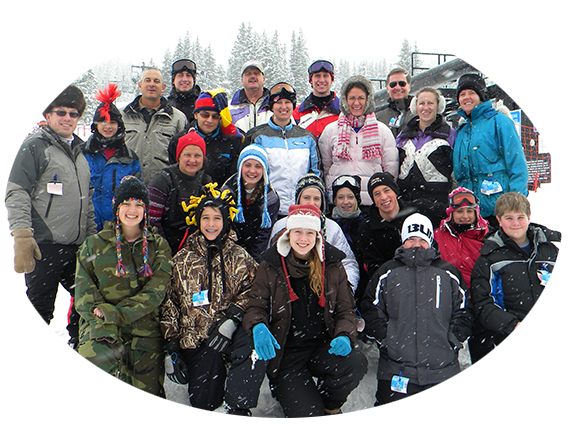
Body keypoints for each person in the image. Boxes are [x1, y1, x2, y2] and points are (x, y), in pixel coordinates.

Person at [6, 85, 97, 397]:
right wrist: (21, 235)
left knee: (86, 303)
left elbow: (86, 203)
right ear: (48, 115)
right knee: (41, 306)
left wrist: (93, 241)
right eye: (61, 112)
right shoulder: (33, 148)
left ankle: (81, 350)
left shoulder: (80, 154)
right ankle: (27, 358)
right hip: (44, 246)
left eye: (73, 114)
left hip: (76, 246)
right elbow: (16, 192)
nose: (68, 118)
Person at [243, 203, 368, 417]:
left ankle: (330, 404)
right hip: (287, 354)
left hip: (322, 347)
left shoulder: (333, 266)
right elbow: (256, 305)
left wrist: (345, 335)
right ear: (288, 234)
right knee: (309, 417)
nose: (303, 238)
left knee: (355, 363)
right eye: (298, 232)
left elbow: (345, 310)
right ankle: (296, 395)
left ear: (317, 236)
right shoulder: (270, 265)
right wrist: (258, 326)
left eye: (309, 233)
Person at [73, 176, 172, 417]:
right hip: (102, 320)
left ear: (146, 210)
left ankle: (127, 377)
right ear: (117, 207)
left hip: (142, 321)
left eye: (139, 204)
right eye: (127, 203)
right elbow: (84, 295)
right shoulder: (93, 245)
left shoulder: (158, 246)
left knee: (144, 403)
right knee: (96, 355)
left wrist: (119, 313)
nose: (132, 210)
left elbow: (155, 293)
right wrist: (105, 315)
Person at [160, 183, 261, 416]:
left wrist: (233, 318)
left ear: (226, 221)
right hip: (197, 343)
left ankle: (239, 398)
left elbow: (256, 290)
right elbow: (170, 303)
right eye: (206, 218)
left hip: (229, 336)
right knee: (204, 403)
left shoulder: (239, 256)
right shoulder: (182, 259)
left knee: (251, 343)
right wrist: (171, 348)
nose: (211, 224)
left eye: (217, 218)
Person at [361, 213, 472, 418]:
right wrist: (387, 339)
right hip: (398, 366)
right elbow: (371, 308)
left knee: (449, 416)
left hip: (442, 366)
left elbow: (464, 310)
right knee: (395, 415)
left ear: (430, 241)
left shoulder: (448, 273)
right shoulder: (388, 272)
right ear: (403, 241)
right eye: (411, 239)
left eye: (422, 239)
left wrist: (452, 339)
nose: (416, 244)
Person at [470, 192, 563, 408]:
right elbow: (483, 304)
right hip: (512, 328)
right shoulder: (490, 257)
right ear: (499, 220)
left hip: (546, 328)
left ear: (529, 217)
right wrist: (510, 325)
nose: (515, 223)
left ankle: (531, 369)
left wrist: (559, 322)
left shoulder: (549, 251)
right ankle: (502, 372)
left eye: (520, 217)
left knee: (548, 398)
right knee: (529, 356)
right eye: (509, 218)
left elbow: (561, 289)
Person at [452, 73, 529, 227]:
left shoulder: (499, 121)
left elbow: (517, 164)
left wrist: (514, 205)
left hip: (499, 212)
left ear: (481, 96)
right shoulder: (461, 130)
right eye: (462, 94)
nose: (467, 97)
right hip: (470, 213)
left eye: (472, 93)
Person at [434, 187, 492, 374]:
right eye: (459, 211)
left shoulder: (487, 236)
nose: (465, 216)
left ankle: (481, 359)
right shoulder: (438, 235)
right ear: (451, 213)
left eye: (469, 211)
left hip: (479, 294)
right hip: (449, 296)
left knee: (481, 329)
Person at [270, 173, 360, 293]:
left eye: (316, 198)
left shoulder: (332, 228)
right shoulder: (281, 226)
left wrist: (344, 292)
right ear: (298, 199)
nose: (311, 203)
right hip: (288, 291)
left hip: (325, 290)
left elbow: (348, 263)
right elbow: (270, 263)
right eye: (306, 197)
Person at [319, 75, 398, 207]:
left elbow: (390, 170)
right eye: (352, 98)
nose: (356, 103)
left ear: (368, 100)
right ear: (345, 100)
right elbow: (326, 168)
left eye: (361, 98)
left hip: (372, 202)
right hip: (340, 201)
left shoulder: (382, 131)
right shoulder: (331, 130)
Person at [246, 82, 320, 217]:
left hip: (301, 211)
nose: (283, 107)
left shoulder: (307, 137)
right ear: (272, 106)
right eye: (279, 103)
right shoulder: (258, 136)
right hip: (269, 211)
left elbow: (316, 174)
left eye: (288, 102)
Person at [82, 83, 141, 231]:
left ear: (119, 125)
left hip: (119, 227)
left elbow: (136, 196)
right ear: (96, 125)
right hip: (87, 225)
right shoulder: (82, 154)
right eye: (103, 122)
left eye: (112, 122)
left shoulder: (130, 159)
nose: (107, 126)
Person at [357, 172, 438, 279]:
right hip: (390, 281)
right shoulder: (367, 227)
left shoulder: (415, 212)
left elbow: (432, 249)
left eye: (387, 190)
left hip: (423, 275)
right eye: (377, 194)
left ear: (395, 192)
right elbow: (374, 266)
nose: (383, 197)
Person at [396, 87, 455, 223]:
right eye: (421, 103)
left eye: (430, 103)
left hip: (437, 206)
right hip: (406, 204)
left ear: (438, 106)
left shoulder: (450, 135)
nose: (425, 107)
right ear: (415, 106)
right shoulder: (404, 135)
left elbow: (456, 172)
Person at [148, 129, 212, 253]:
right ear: (178, 156)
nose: (192, 160)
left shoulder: (206, 182)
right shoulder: (163, 180)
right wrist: (166, 251)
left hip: (196, 248)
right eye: (187, 155)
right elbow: (151, 221)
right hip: (163, 246)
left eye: (197, 155)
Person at [121, 67, 187, 184]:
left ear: (163, 87)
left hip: (163, 189)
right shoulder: (122, 116)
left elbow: (184, 156)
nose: (152, 84)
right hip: (128, 188)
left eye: (156, 81)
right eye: (147, 80)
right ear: (140, 85)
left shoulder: (177, 118)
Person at [222, 144, 280, 262]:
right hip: (229, 252)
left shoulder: (270, 198)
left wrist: (253, 261)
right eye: (247, 165)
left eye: (258, 166)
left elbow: (263, 236)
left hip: (255, 252)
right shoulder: (227, 192)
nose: (252, 171)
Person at [328, 175, 368, 306]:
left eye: (350, 197)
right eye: (340, 197)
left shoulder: (366, 223)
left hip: (363, 284)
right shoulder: (327, 224)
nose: (346, 202)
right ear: (334, 200)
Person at [292, 60, 341, 139]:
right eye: (317, 76)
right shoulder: (298, 113)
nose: (321, 80)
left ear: (332, 79)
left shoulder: (342, 112)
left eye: (325, 76)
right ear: (310, 80)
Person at [229, 61, 271, 134]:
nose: (252, 76)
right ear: (242, 81)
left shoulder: (275, 106)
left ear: (263, 79)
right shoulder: (230, 107)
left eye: (256, 73)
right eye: (248, 74)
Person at [375, 67, 414, 138]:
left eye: (402, 83)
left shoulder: (420, 113)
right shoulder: (377, 116)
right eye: (393, 84)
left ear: (409, 87)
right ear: (387, 89)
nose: (398, 87)